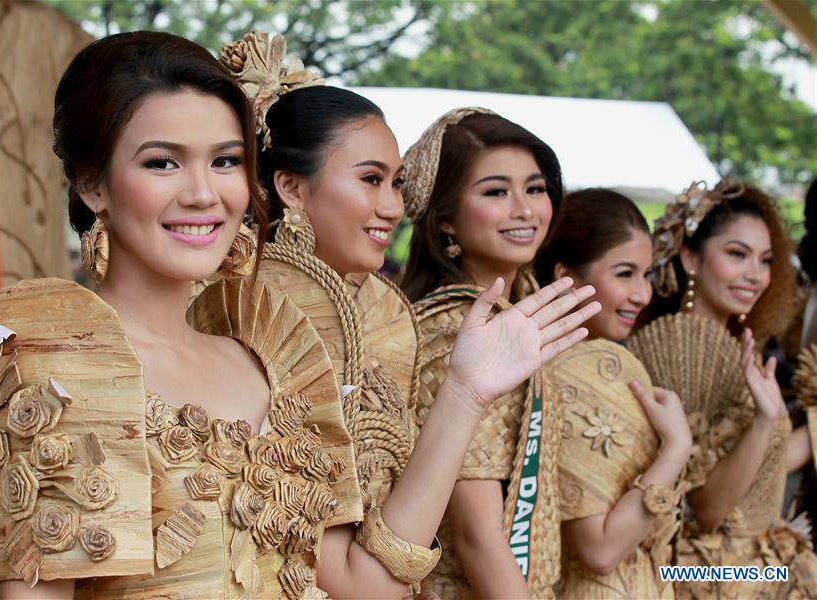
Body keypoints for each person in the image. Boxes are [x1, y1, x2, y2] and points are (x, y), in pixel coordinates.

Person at [0, 31, 599, 600]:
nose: (204, 193)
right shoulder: (53, 360)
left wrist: (464, 394)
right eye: (162, 162)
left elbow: (364, 584)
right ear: (92, 183)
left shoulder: (273, 359)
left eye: (225, 161)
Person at [204, 33, 601, 599]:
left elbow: (389, 537)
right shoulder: (238, 312)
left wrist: (465, 393)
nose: (393, 207)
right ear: (291, 187)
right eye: (371, 180)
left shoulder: (386, 313)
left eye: (396, 183)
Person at [400, 108, 578, 598]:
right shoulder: (454, 329)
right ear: (446, 219)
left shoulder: (522, 304)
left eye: (535, 189)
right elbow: (477, 536)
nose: (524, 210)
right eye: (496, 192)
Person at [628, 179, 817, 598]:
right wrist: (764, 421)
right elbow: (707, 510)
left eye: (766, 260)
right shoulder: (678, 350)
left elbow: (762, 467)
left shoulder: (737, 347)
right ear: (691, 257)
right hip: (712, 577)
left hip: (756, 566)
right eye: (737, 254)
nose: (756, 275)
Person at [535, 188, 692, 598]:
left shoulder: (590, 362)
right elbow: (600, 549)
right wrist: (676, 447)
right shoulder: (575, 371)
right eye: (625, 274)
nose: (644, 294)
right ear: (566, 278)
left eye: (646, 275)